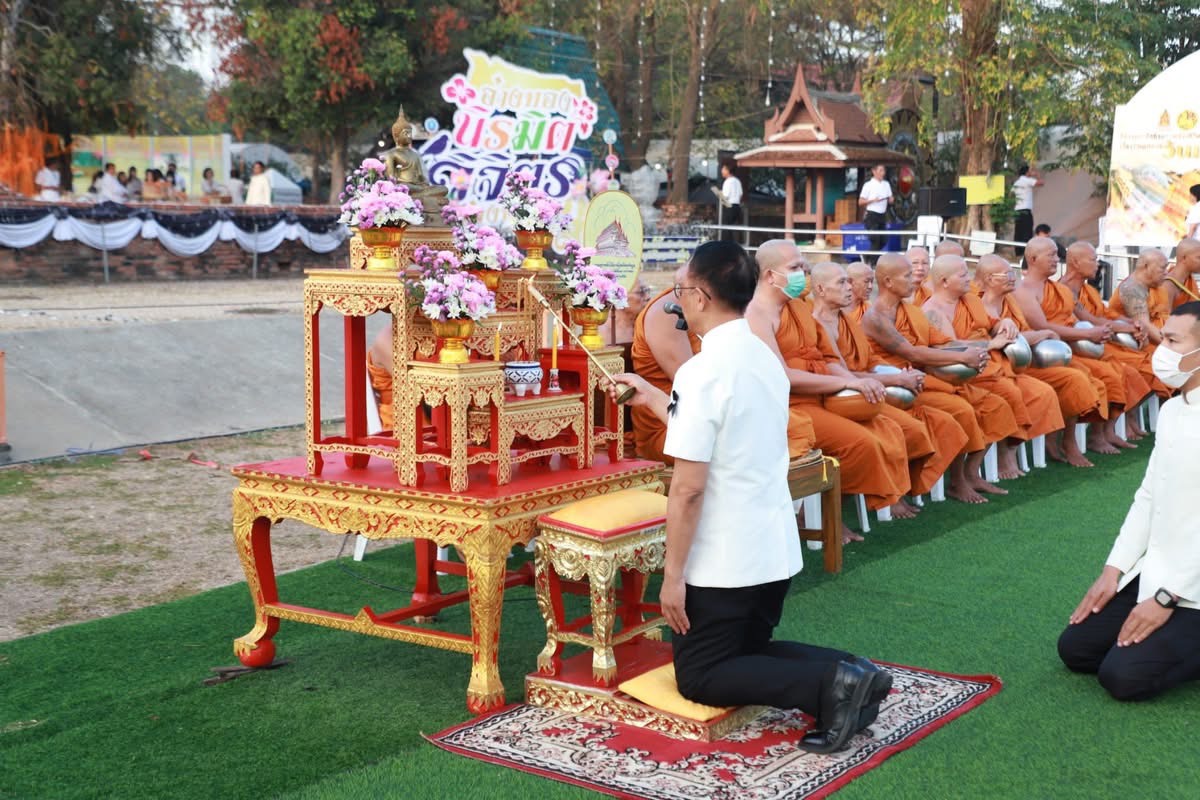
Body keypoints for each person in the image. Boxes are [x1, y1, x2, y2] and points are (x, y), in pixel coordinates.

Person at [612, 240, 891, 754]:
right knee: (748, 651)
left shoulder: (703, 370)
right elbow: (723, 427)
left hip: (726, 558)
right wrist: (653, 398)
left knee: (701, 675)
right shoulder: (761, 354)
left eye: (680, 291)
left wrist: (672, 578)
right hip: (771, 546)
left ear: (699, 296)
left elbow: (689, 488)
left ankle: (832, 684)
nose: (678, 301)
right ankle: (854, 671)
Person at [1057, 301, 1200, 701]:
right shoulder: (1173, 411)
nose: (1161, 350)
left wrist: (1168, 597)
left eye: (1173, 341)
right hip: (1159, 569)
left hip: (1192, 586)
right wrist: (1114, 571)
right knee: (1076, 649)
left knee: (1123, 677)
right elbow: (1149, 494)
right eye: (1163, 338)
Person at [748, 239, 911, 538]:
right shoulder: (755, 314)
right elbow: (782, 377)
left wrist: (856, 381)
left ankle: (827, 510)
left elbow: (827, 358)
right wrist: (846, 382)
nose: (803, 274)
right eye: (795, 267)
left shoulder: (799, 308)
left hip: (824, 397)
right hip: (788, 408)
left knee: (887, 428)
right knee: (862, 444)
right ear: (770, 275)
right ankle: (822, 515)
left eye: (803, 267)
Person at [811, 261, 967, 516]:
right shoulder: (817, 324)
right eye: (842, 282)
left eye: (849, 281)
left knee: (919, 428)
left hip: (870, 389)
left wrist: (900, 374)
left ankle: (900, 491)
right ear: (820, 289)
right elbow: (841, 374)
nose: (850, 287)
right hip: (844, 398)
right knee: (901, 431)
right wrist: (896, 380)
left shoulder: (846, 320)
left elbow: (871, 360)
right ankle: (880, 497)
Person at [862, 252, 1015, 504]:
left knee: (992, 405)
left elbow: (942, 342)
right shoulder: (875, 317)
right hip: (897, 386)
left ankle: (968, 475)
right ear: (888, 281)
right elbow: (911, 352)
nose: (915, 278)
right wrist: (964, 357)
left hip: (920, 380)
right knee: (961, 411)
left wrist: (979, 347)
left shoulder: (911, 311)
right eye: (907, 275)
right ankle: (950, 482)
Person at [923, 254, 1064, 481]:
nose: (969, 278)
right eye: (962, 275)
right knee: (1006, 396)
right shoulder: (932, 310)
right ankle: (972, 472)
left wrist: (1003, 323)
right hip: (961, 374)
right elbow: (952, 349)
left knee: (1020, 396)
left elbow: (990, 324)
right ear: (944, 281)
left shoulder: (970, 301)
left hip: (989, 366)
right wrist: (989, 344)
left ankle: (977, 468)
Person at [976, 254, 1104, 468]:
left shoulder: (1010, 301)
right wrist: (1045, 333)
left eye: (1013, 273)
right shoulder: (978, 304)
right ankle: (1007, 450)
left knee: (1078, 379)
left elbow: (1020, 333)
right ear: (989, 279)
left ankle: (1062, 439)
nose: (1013, 277)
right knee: (1029, 391)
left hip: (1022, 364)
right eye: (1007, 274)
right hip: (993, 369)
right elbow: (1006, 338)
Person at [1014, 237, 1135, 454]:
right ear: (1032, 258)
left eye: (1056, 254)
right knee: (1080, 379)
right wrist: (1088, 333)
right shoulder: (1024, 291)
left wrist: (1105, 332)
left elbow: (1079, 319)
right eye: (1051, 255)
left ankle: (1085, 436)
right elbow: (1042, 327)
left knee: (1099, 376)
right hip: (1042, 357)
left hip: (1068, 351)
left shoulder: (1059, 290)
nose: (1057, 259)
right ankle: (1067, 440)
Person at [629, 273, 703, 463]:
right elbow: (695, 392)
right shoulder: (666, 313)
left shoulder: (725, 311)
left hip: (707, 416)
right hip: (668, 425)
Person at [858, 165, 892, 265]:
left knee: (884, 240)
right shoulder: (868, 185)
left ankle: (867, 256)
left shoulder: (886, 184)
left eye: (883, 170)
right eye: (880, 170)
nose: (882, 173)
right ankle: (873, 262)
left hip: (882, 215)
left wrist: (890, 199)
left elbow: (890, 197)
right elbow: (860, 201)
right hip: (872, 215)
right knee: (875, 240)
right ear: (874, 171)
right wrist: (873, 200)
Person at [1012, 165, 1042, 255]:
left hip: (1017, 210)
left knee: (1018, 231)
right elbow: (1041, 183)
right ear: (1027, 172)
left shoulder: (1017, 182)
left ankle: (1018, 251)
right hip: (1025, 210)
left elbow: (1012, 194)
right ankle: (1025, 252)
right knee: (1027, 231)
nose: (1031, 173)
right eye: (1030, 171)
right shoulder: (1027, 180)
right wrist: (1037, 175)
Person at [1165, 237, 1200, 309]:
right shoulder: (1168, 285)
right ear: (1184, 258)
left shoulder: (1189, 279)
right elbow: (1164, 315)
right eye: (1199, 257)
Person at [716, 161, 743, 243]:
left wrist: (719, 194)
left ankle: (726, 244)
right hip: (737, 206)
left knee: (726, 228)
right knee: (734, 228)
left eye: (723, 169)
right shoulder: (737, 181)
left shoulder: (728, 181)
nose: (722, 171)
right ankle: (734, 243)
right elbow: (741, 194)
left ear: (728, 170)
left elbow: (725, 196)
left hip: (729, 205)